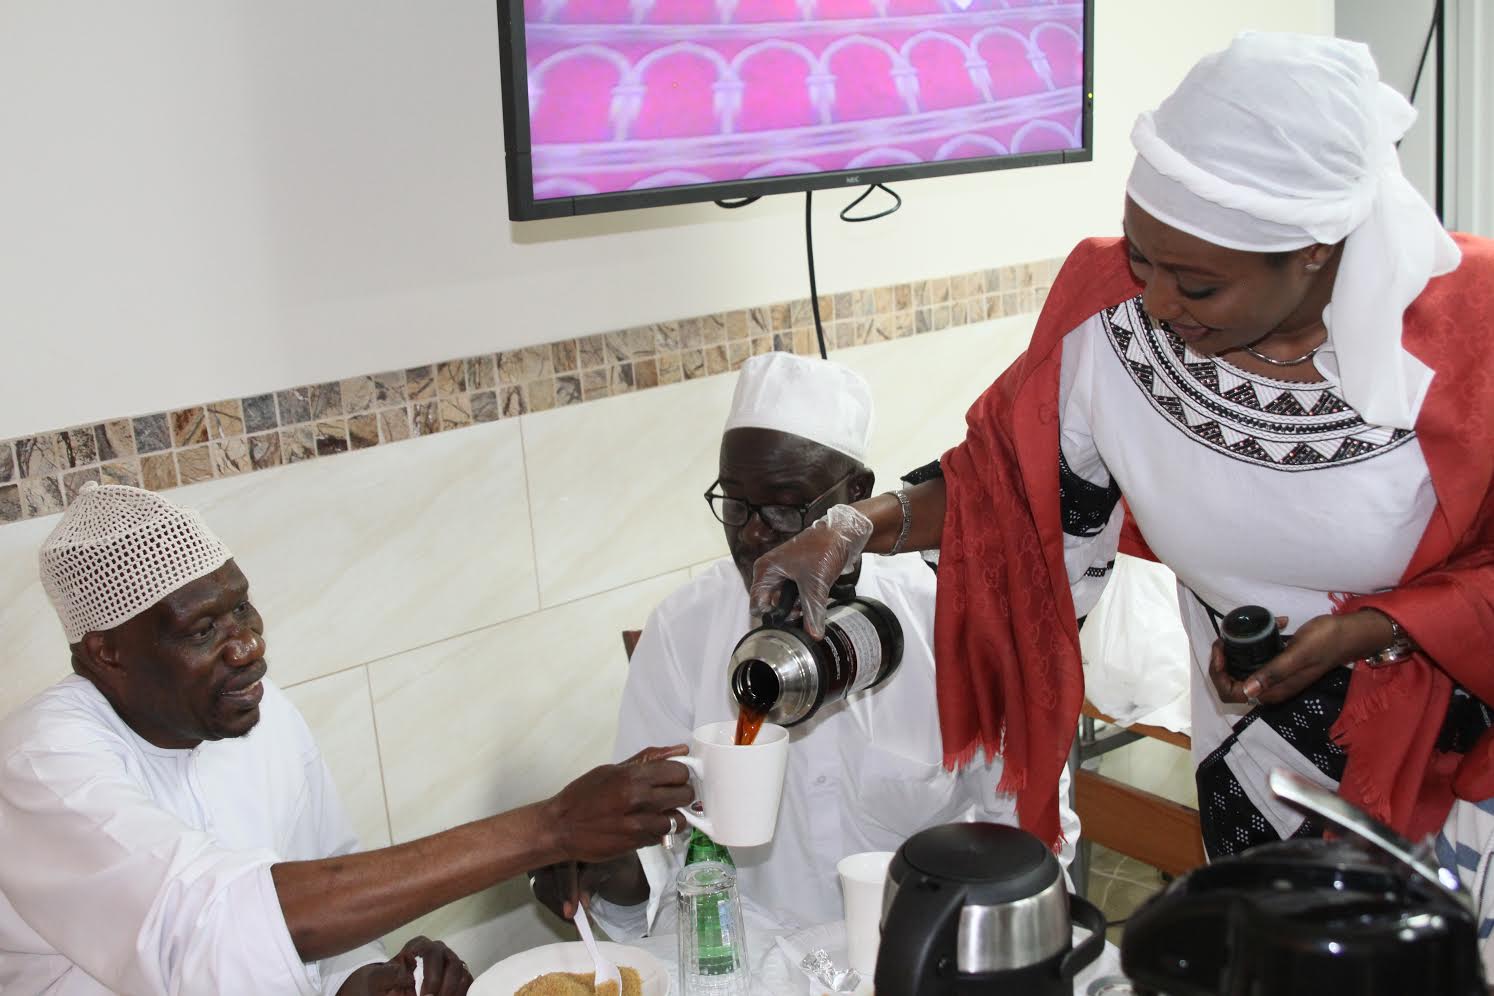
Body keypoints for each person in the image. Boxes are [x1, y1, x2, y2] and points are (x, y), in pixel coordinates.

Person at [750, 31, 1494, 961]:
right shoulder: (1111, 315)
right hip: (1253, 749)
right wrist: (849, 529)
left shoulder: (1472, 336)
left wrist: (1381, 627)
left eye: (1198, 282)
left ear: (1312, 250)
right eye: (1143, 257)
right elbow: (1002, 489)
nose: (1157, 300)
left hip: (1453, 756)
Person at [0, 483, 693, 996]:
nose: (246, 646)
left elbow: (328, 876)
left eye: (241, 607)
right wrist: (551, 827)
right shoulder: (43, 766)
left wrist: (367, 981)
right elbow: (218, 926)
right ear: (106, 653)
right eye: (202, 631)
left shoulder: (261, 715)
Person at [531, 352, 1077, 936]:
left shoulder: (949, 619)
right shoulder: (682, 631)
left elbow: (1026, 826)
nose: (754, 533)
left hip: (920, 953)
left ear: (858, 497)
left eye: (786, 507)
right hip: (752, 962)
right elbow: (650, 845)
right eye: (736, 504)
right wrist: (608, 866)